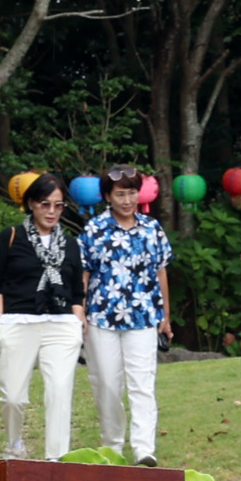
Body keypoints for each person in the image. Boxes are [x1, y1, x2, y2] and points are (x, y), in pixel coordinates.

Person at [79, 162, 173, 462]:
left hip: (144, 317)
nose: (127, 200)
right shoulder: (94, 229)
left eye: (132, 193)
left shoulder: (152, 228)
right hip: (101, 316)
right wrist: (79, 311)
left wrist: (165, 316)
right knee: (106, 383)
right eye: (120, 194)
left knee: (142, 384)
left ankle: (144, 449)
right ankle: (113, 444)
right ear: (108, 196)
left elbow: (161, 273)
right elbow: (84, 274)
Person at [0, 174, 81, 459]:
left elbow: (77, 289)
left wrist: (77, 317)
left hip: (61, 325)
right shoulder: (12, 236)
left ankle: (57, 459)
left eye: (58, 205)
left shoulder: (71, 244)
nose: (51, 211)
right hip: (17, 322)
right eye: (44, 204)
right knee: (12, 396)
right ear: (31, 204)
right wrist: (0, 318)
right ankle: (14, 443)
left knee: (60, 391)